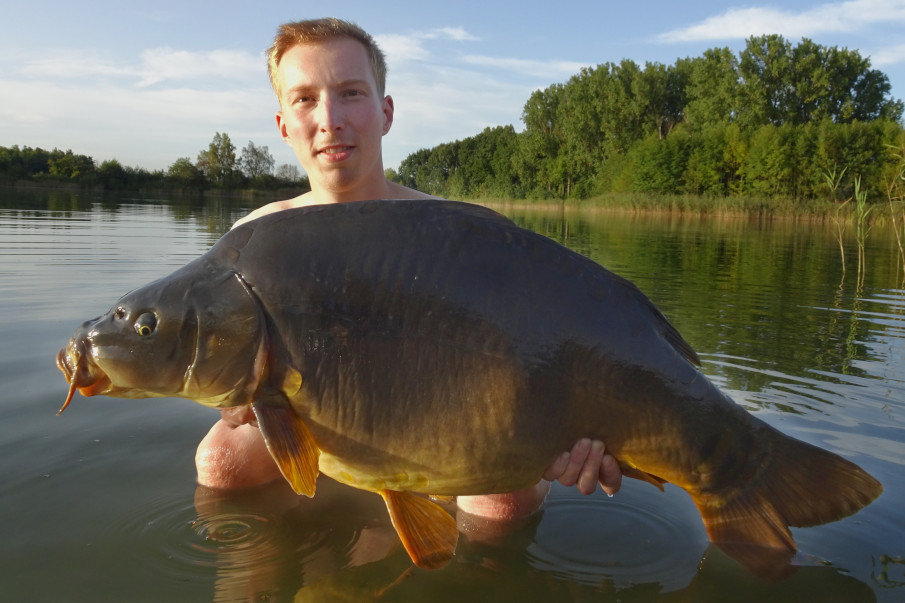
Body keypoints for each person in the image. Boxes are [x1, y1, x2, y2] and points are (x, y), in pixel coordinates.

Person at [195, 17, 622, 520]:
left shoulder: (457, 236)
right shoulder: (252, 242)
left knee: (503, 505)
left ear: (386, 112)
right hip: (319, 426)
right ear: (284, 123)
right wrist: (232, 396)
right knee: (221, 462)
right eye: (305, 98)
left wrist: (571, 432)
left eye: (351, 92)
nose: (330, 117)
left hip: (442, 429)